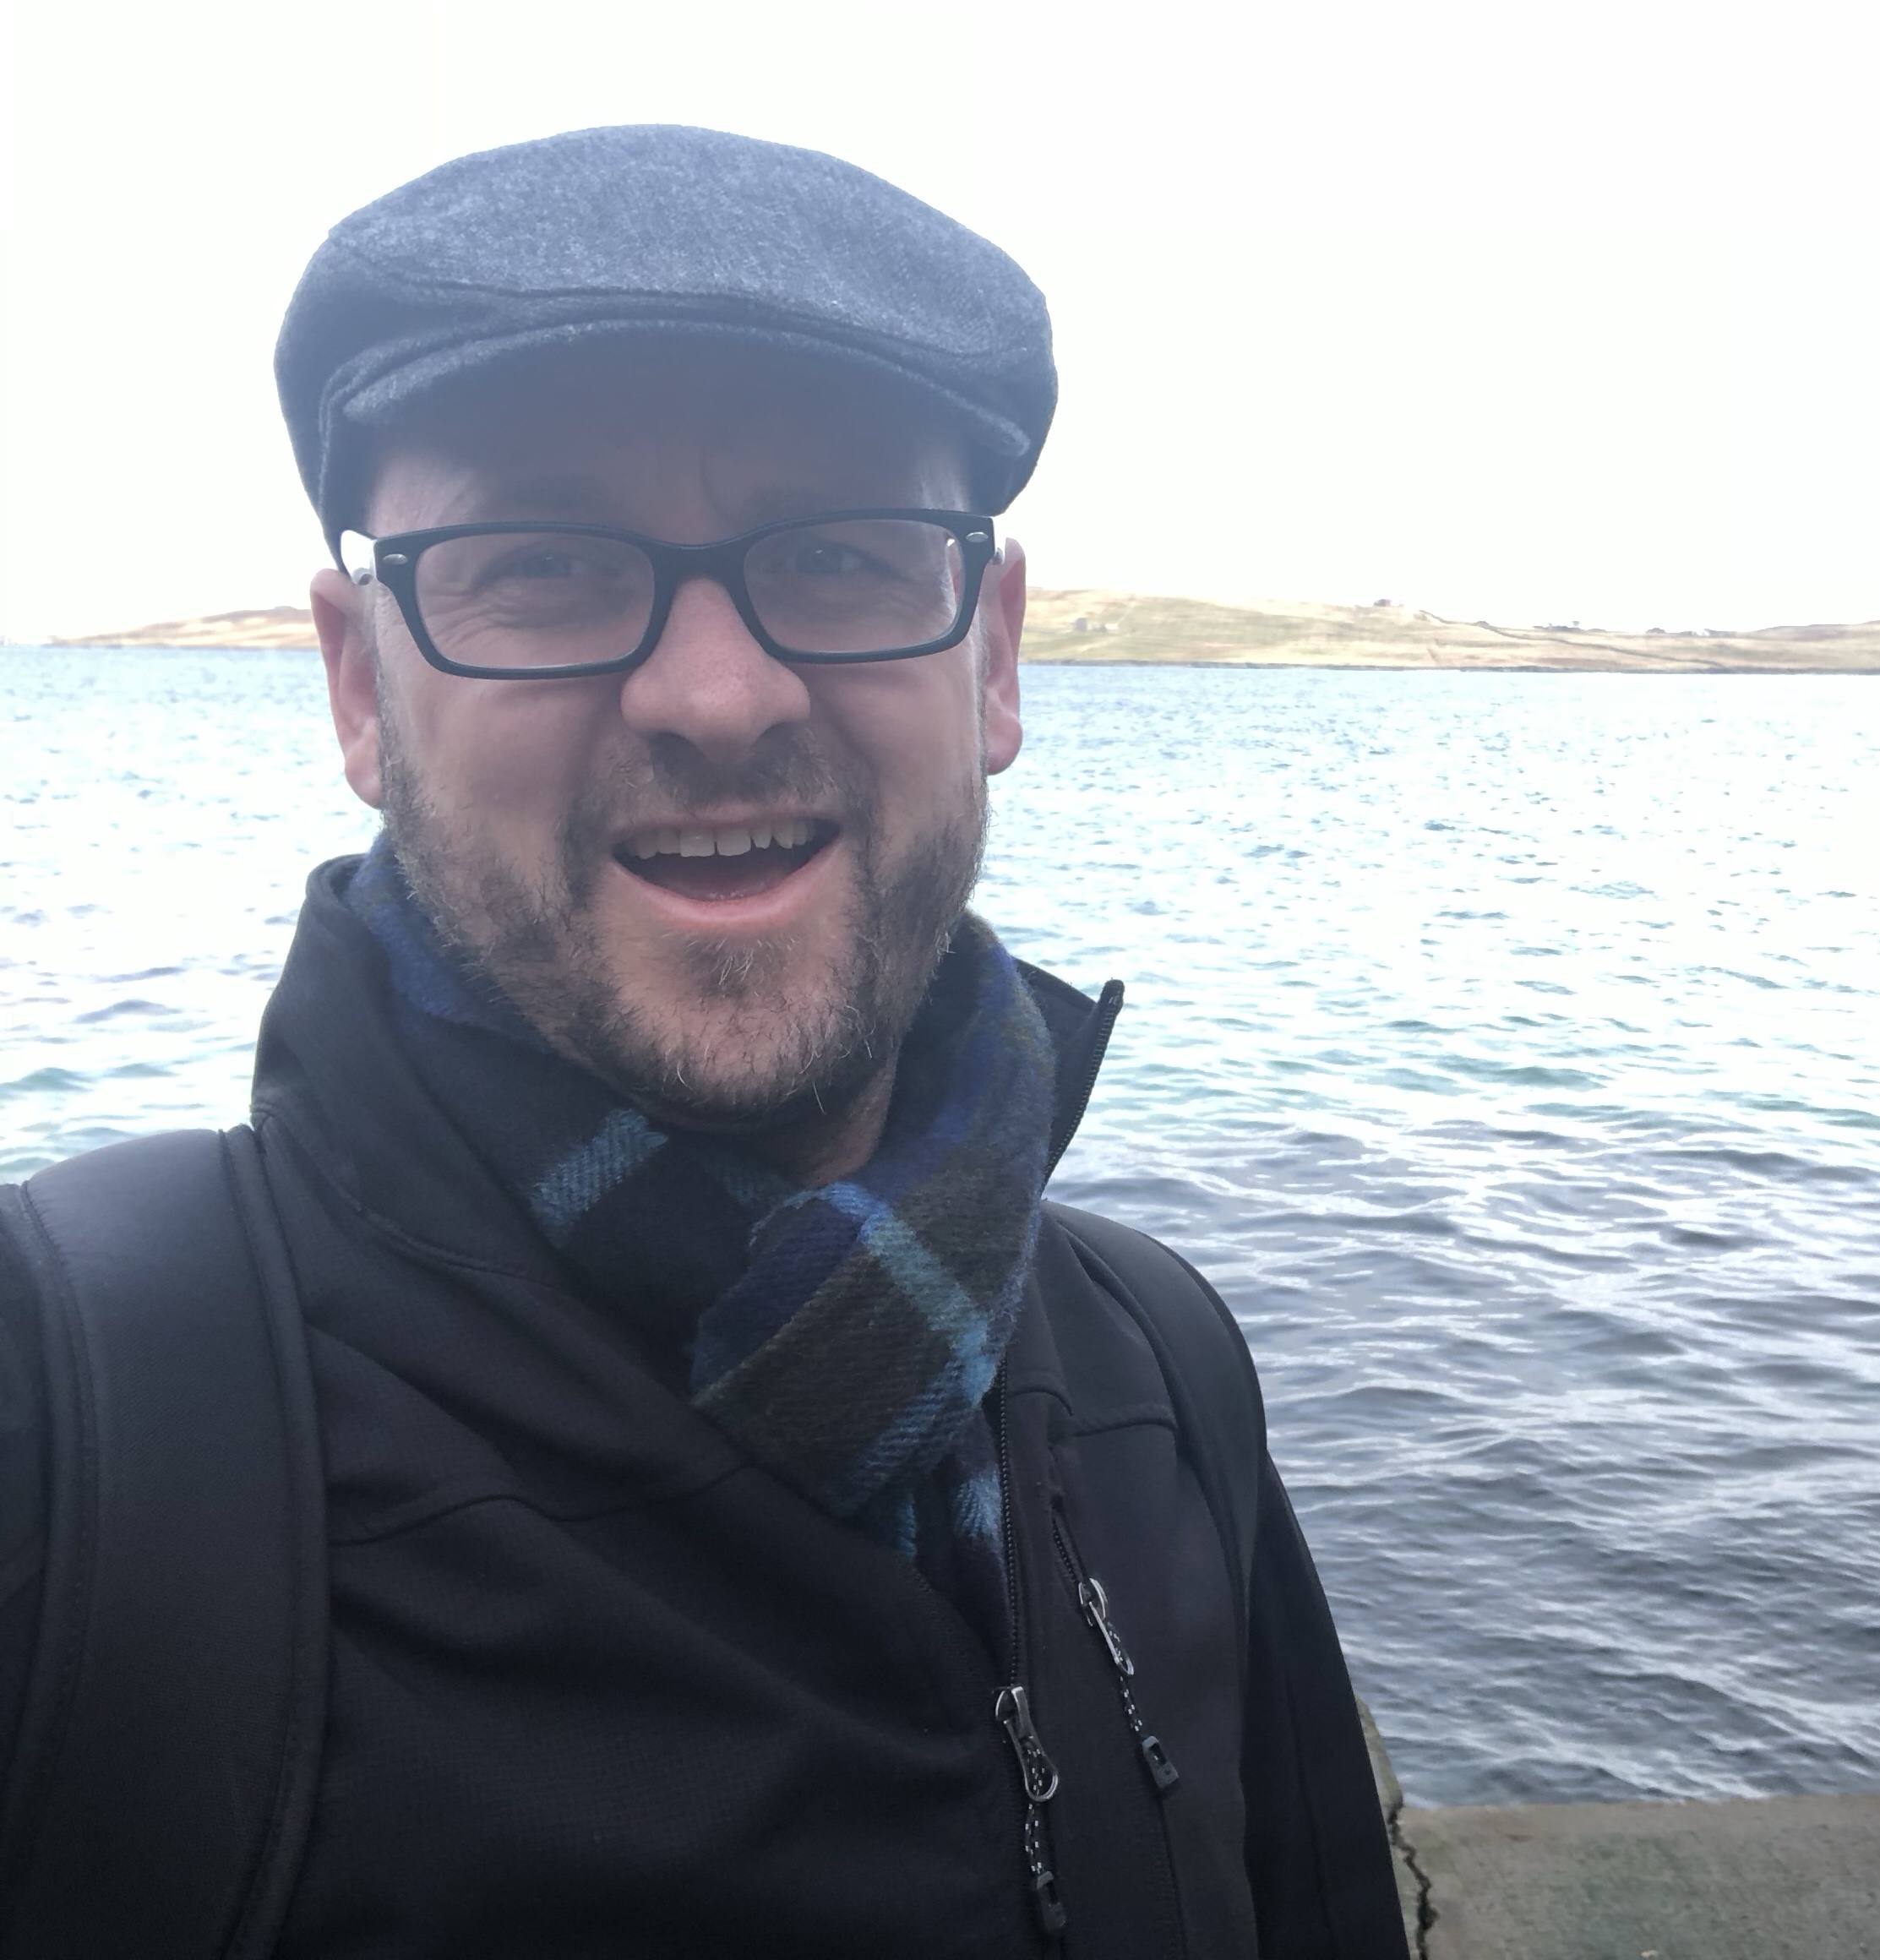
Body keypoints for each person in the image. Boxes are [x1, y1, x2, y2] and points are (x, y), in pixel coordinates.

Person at [0, 125, 1408, 1959]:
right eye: (543, 564)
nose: (717, 696)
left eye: (836, 553)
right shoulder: (66, 1434)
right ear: (360, 685)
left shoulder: (1162, 1369)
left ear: (991, 660)